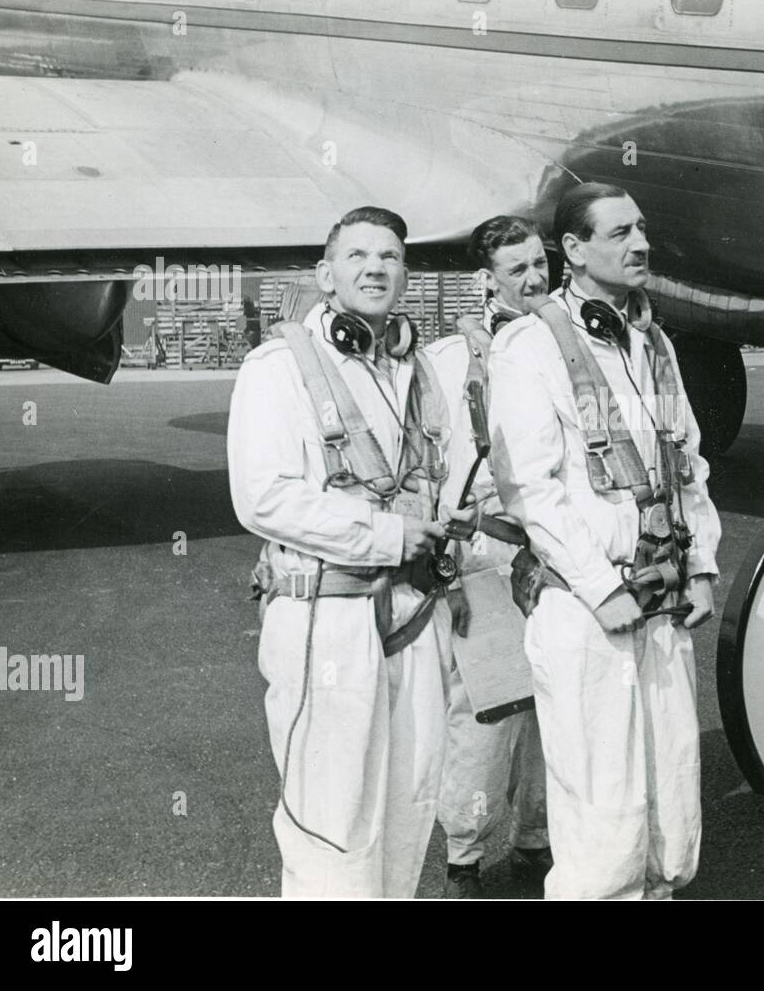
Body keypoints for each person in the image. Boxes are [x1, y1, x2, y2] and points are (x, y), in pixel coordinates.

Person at [487, 182, 722, 900]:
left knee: (672, 798)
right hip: (589, 609)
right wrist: (602, 588)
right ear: (574, 250)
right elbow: (531, 488)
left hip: (662, 598)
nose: (641, 244)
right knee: (602, 809)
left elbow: (690, 464)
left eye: (643, 228)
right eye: (620, 233)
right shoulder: (529, 345)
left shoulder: (653, 345)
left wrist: (704, 565)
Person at [228, 206, 462, 898]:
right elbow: (263, 496)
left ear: (405, 276)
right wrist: (388, 534)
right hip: (324, 621)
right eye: (357, 255)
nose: (375, 268)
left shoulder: (415, 371)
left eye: (389, 257)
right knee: (330, 819)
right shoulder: (278, 367)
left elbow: (439, 474)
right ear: (325, 276)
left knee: (411, 804)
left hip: (416, 617)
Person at [424, 216, 552, 897]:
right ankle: (466, 858)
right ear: (486, 280)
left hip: (560, 556)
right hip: (486, 555)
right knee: (487, 714)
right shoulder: (451, 359)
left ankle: (537, 839)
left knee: (552, 709)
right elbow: (429, 460)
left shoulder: (568, 345)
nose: (534, 278)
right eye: (517, 268)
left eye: (540, 263)